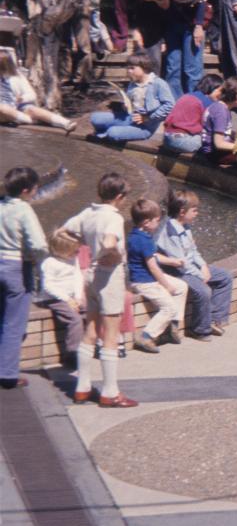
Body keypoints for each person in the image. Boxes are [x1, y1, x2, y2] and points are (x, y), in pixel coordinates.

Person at [60, 172, 136, 406]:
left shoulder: (88, 212)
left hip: (90, 275)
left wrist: (85, 243)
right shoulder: (113, 217)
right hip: (109, 276)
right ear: (119, 196)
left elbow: (63, 231)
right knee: (111, 335)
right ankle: (110, 392)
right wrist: (111, 254)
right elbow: (109, 242)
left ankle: (82, 387)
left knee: (90, 330)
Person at [156, 189, 232, 340]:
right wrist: (199, 275)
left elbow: (193, 251)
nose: (197, 213)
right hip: (176, 270)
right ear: (182, 212)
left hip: (190, 267)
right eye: (194, 210)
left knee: (225, 277)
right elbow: (180, 262)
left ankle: (214, 319)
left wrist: (203, 266)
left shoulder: (185, 226)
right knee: (203, 291)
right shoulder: (170, 231)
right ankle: (199, 329)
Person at [0, 167, 47, 388]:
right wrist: (37, 260)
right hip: (17, 267)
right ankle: (7, 374)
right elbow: (38, 244)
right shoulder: (24, 210)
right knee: (13, 323)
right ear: (26, 190)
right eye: (36, 188)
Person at [125, 198, 189, 353]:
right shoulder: (144, 240)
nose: (159, 223)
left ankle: (172, 327)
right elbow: (153, 267)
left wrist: (173, 261)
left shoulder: (136, 235)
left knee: (182, 286)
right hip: (144, 282)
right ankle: (146, 337)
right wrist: (166, 286)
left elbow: (153, 256)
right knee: (169, 307)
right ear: (147, 222)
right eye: (157, 220)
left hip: (147, 277)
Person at [89, 54, 175, 142]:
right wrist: (125, 106)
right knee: (95, 118)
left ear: (144, 68)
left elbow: (170, 105)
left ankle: (108, 132)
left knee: (113, 132)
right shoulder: (133, 83)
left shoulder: (158, 83)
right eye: (128, 68)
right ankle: (115, 130)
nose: (129, 71)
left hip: (145, 127)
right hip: (130, 118)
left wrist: (148, 118)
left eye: (132, 68)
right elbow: (130, 104)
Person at [38, 229, 86, 379]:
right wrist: (67, 299)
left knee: (90, 312)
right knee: (75, 320)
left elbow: (77, 277)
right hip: (54, 298)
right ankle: (72, 353)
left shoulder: (73, 259)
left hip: (71, 297)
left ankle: (89, 345)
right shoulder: (50, 263)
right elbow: (48, 286)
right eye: (73, 251)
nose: (76, 254)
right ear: (61, 251)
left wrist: (78, 296)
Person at [0, 54, 74, 130]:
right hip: (3, 110)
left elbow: (32, 95)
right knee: (2, 108)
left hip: (18, 107)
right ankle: (30, 120)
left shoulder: (18, 77)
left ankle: (66, 123)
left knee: (33, 110)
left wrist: (22, 98)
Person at [197, 76, 237, 166]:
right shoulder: (220, 111)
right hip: (214, 154)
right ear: (232, 94)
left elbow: (225, 132)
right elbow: (219, 144)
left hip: (217, 150)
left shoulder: (222, 107)